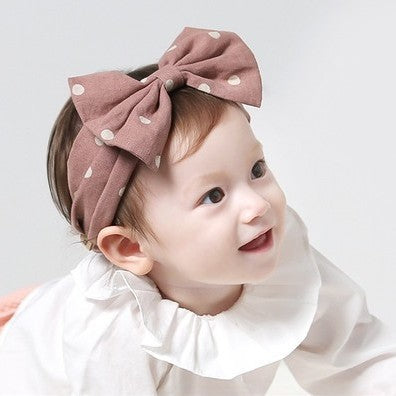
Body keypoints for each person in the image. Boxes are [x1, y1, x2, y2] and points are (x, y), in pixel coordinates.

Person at [0, 26, 395, 395]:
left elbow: (361, 361)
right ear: (130, 249)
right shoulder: (112, 329)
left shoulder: (284, 257)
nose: (257, 205)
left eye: (256, 170)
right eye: (214, 196)